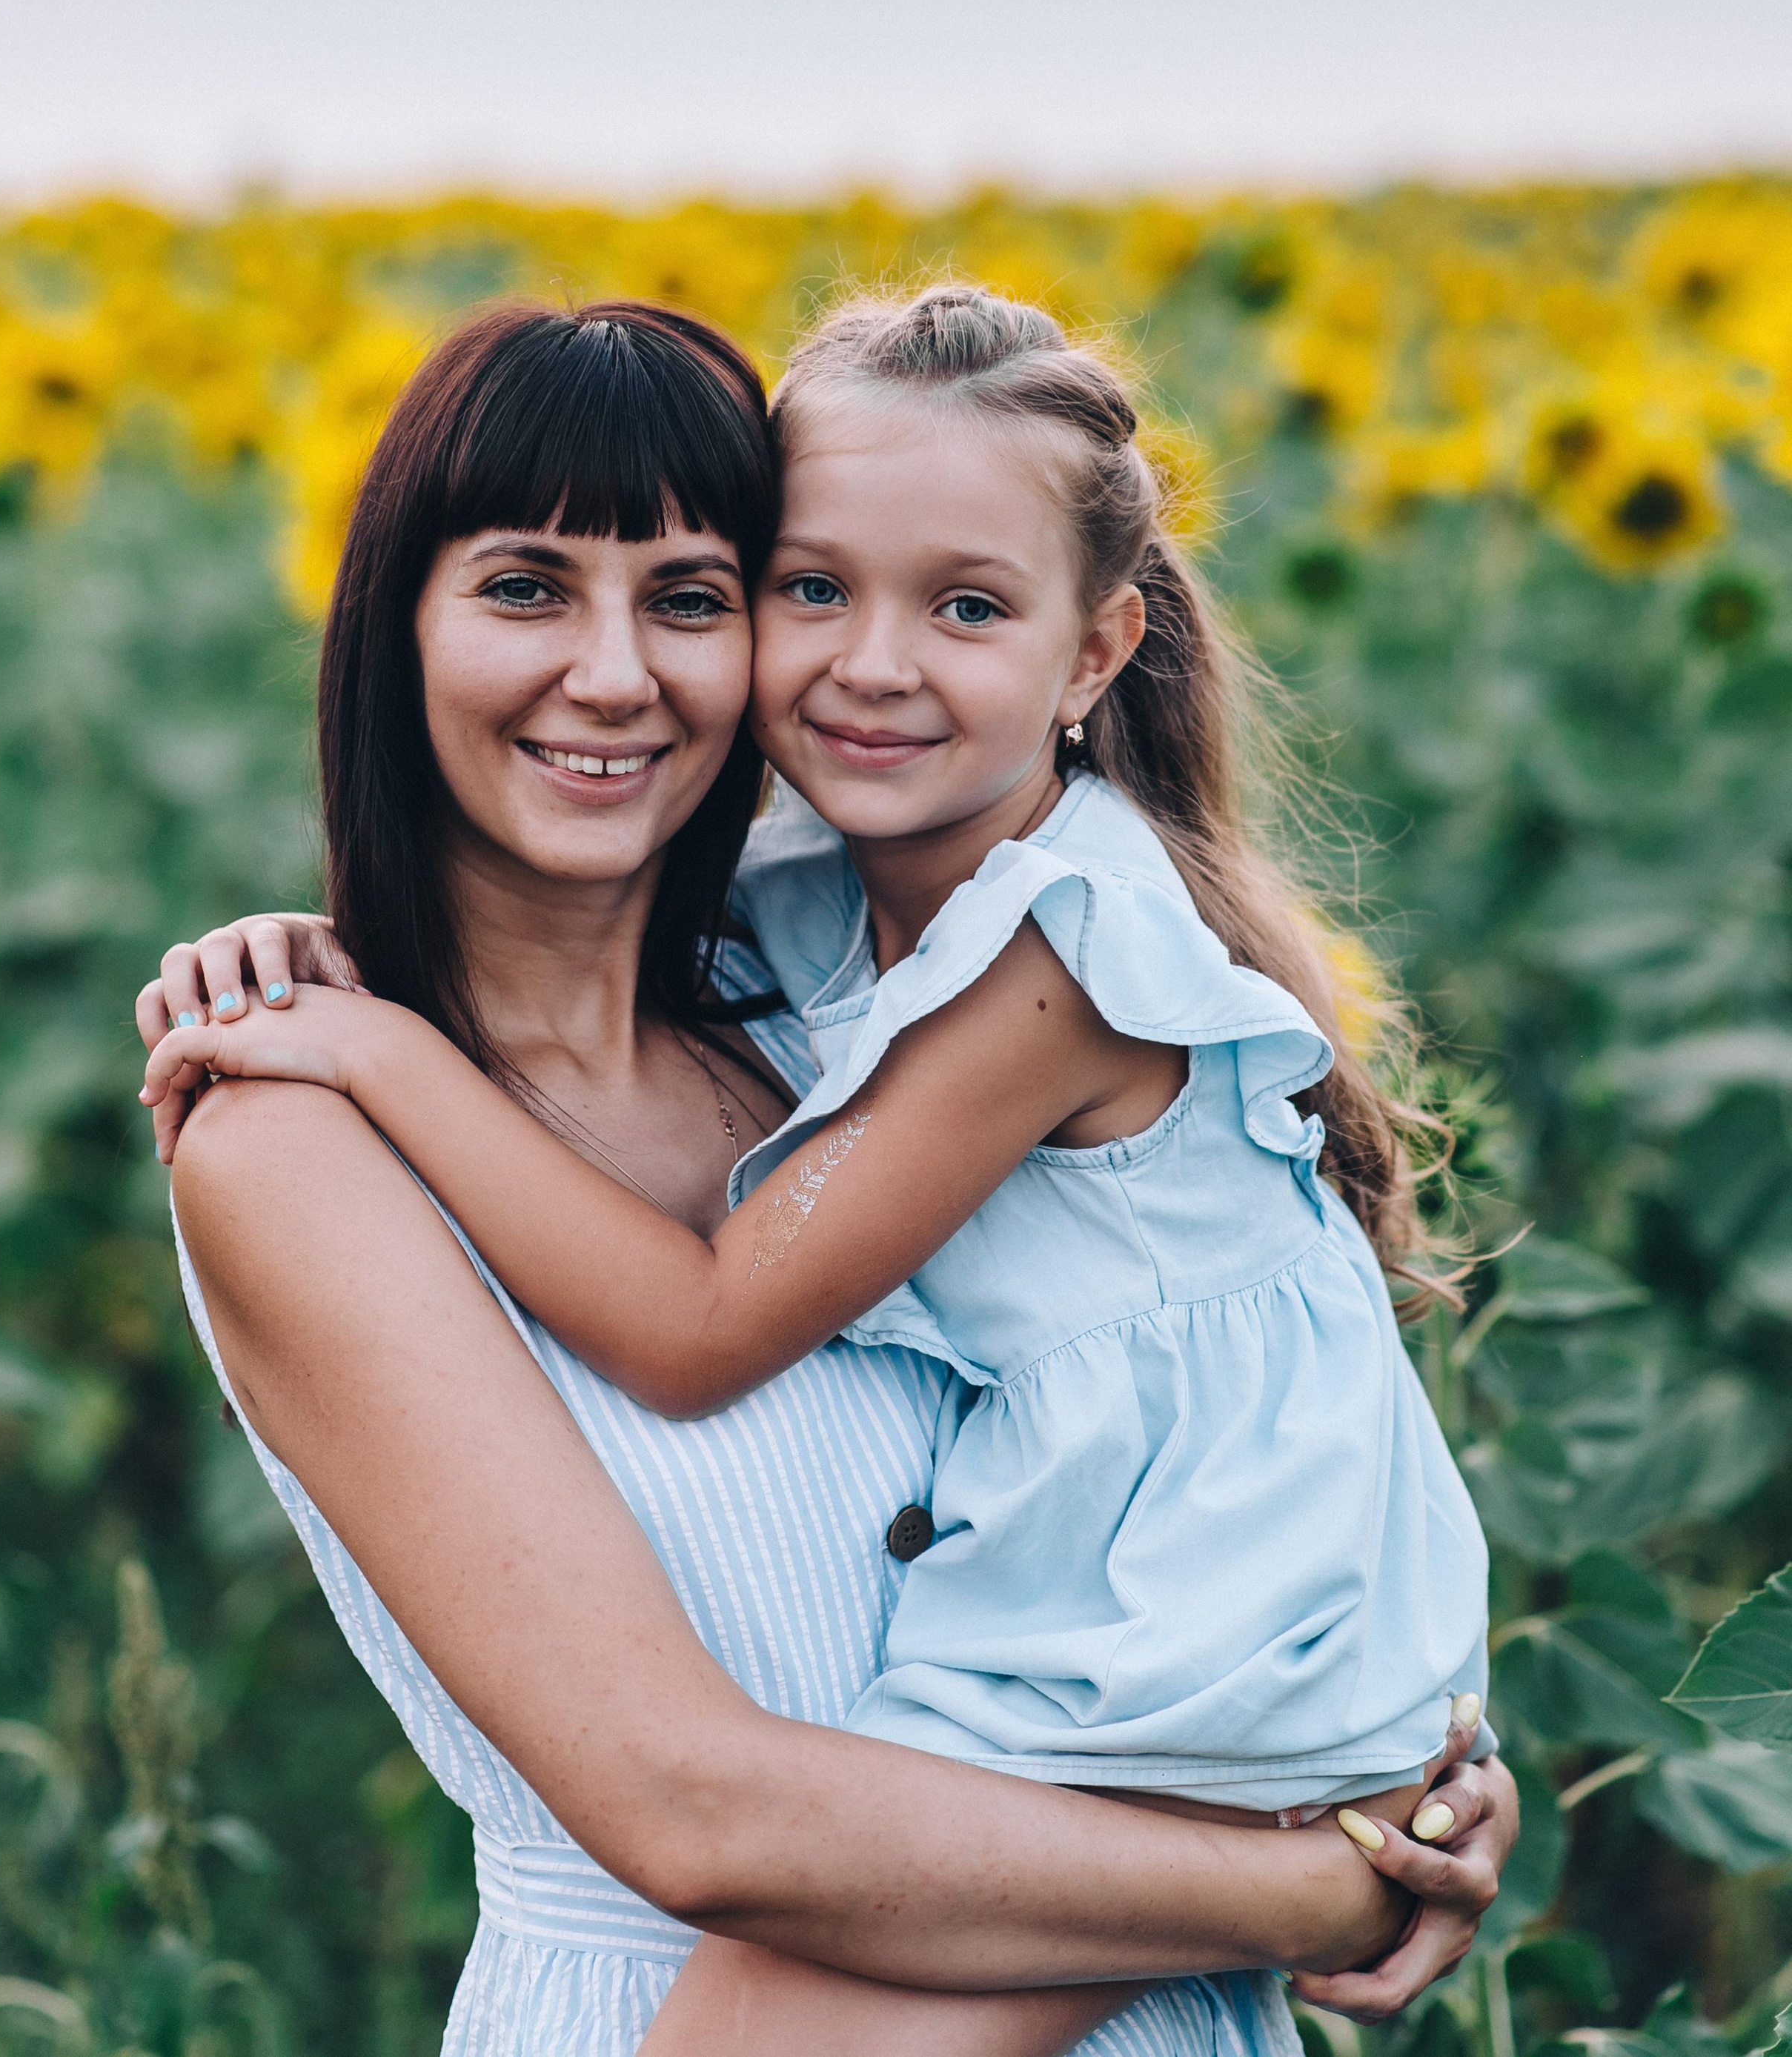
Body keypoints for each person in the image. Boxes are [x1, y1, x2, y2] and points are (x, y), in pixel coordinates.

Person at [147, 298, 1516, 2056]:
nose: (614, 672)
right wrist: (1322, 1874)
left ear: (1091, 652)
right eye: (519, 585)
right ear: (386, 625)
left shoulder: (842, 1025)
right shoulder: (296, 1128)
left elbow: (1206, 1514)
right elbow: (689, 1808)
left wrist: (1416, 1761)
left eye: (692, 595)